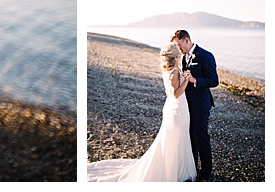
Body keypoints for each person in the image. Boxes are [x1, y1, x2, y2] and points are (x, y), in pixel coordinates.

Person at [86, 41, 197, 182]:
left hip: (174, 108)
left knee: (175, 139)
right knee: (176, 139)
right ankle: (174, 172)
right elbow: (176, 93)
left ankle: (176, 169)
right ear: (175, 57)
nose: (180, 53)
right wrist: (187, 80)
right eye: (178, 52)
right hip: (177, 109)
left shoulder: (169, 71)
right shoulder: (175, 72)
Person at [173, 29, 219, 181]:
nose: (179, 49)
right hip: (187, 105)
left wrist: (195, 80)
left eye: (179, 45)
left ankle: (206, 173)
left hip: (201, 104)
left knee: (201, 137)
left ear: (187, 40)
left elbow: (214, 81)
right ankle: (193, 169)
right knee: (190, 136)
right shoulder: (184, 57)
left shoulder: (206, 56)